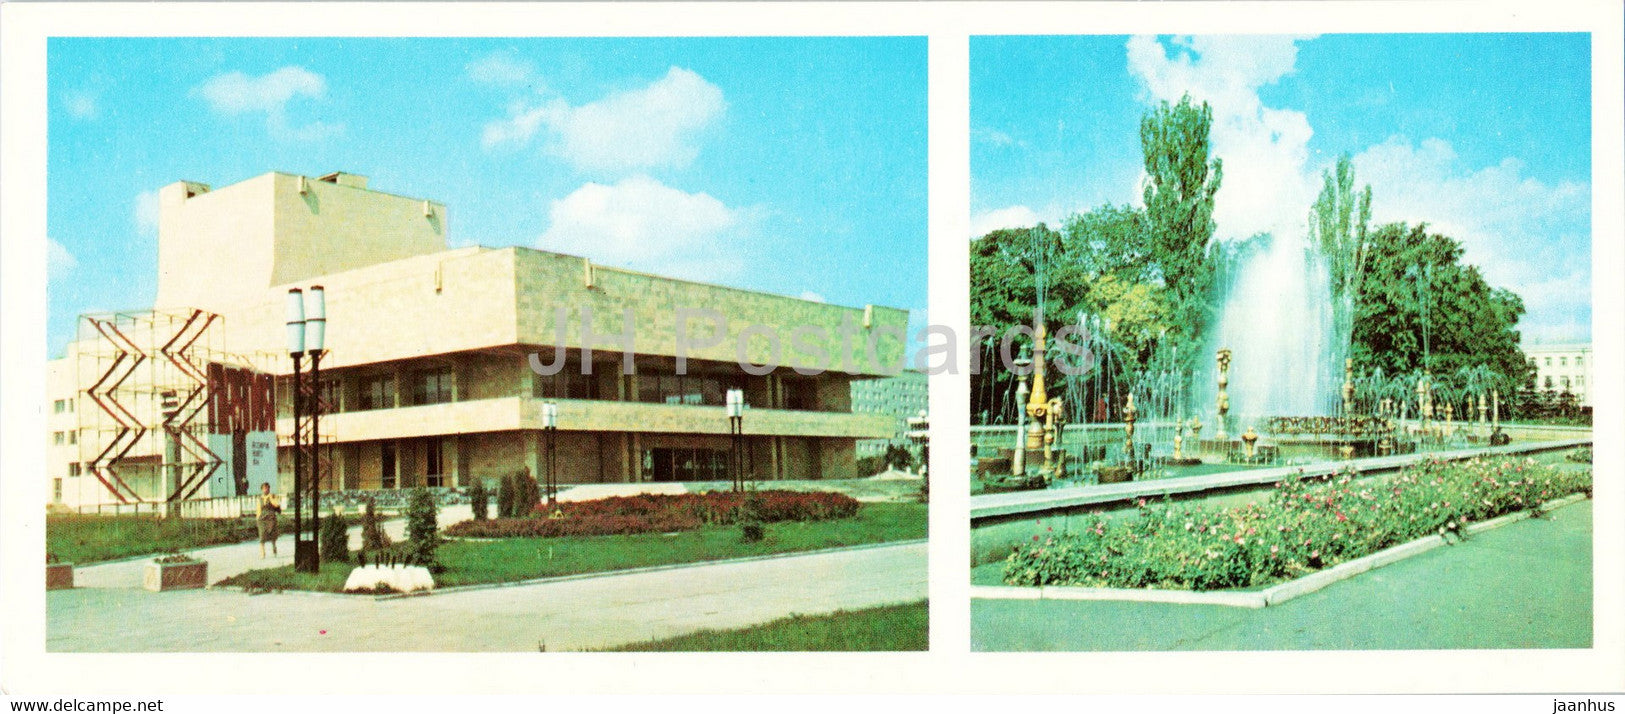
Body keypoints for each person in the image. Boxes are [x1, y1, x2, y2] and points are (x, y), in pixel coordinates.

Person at [257, 482, 281, 558]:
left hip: (271, 518)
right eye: (264, 488)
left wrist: (271, 498)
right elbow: (258, 509)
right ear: (262, 489)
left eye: (267, 488)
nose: (266, 490)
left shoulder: (273, 496)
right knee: (262, 536)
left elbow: (276, 504)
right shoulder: (260, 498)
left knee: (273, 536)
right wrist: (257, 518)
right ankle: (262, 553)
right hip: (262, 519)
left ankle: (274, 549)